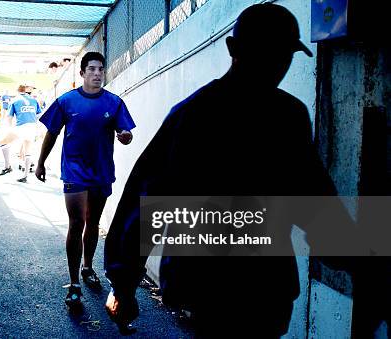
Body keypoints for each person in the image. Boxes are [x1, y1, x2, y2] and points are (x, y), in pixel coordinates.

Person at [103, 4, 343, 337]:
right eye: (269, 53)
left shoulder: (195, 114)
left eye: (282, 55)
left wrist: (124, 280)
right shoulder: (286, 115)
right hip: (257, 286)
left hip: (214, 285)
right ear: (234, 50)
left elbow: (146, 199)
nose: (277, 66)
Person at [36, 52, 136, 308]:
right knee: (76, 222)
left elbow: (125, 132)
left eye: (101, 69)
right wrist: (40, 163)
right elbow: (52, 132)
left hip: (101, 172)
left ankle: (88, 267)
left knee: (93, 222)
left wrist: (125, 136)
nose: (97, 73)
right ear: (82, 73)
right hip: (75, 171)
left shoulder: (114, 103)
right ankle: (74, 284)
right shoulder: (66, 101)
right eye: (91, 69)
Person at [0, 84, 42, 183]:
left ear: (17, 91)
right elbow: (39, 115)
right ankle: (25, 176)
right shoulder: (34, 100)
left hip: (21, 127)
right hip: (32, 127)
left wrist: (10, 129)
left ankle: (7, 166)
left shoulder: (15, 100)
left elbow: (9, 118)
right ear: (25, 91)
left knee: (2, 142)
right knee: (28, 151)